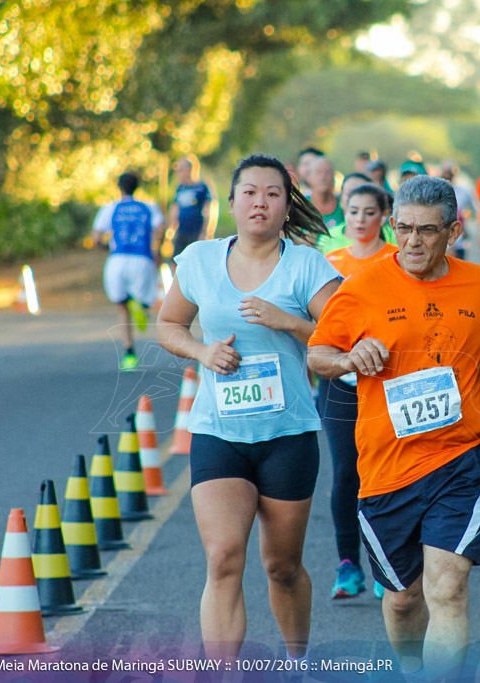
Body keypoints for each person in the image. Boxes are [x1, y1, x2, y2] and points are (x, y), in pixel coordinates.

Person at [307, 175, 480, 678]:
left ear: (454, 231)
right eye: (403, 228)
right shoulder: (362, 288)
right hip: (387, 467)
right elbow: (319, 353)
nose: (412, 242)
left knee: (446, 587)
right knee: (402, 600)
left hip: (458, 458)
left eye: (427, 230)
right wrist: (349, 359)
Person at [156, 154, 340, 665]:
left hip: (288, 433)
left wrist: (290, 322)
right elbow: (168, 325)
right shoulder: (198, 259)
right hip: (219, 431)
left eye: (273, 194)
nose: (261, 201)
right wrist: (202, 352)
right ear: (232, 201)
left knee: (281, 567)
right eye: (251, 192)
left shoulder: (307, 265)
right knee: (222, 560)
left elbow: (344, 339)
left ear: (287, 206)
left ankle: (296, 662)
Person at [319, 183, 397, 600]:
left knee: (386, 472)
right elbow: (315, 325)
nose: (361, 219)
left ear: (385, 216)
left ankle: (389, 564)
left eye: (370, 212)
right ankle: (348, 564)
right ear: (343, 215)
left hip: (389, 383)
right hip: (339, 382)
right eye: (354, 211)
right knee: (347, 472)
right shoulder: (329, 263)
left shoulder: (398, 260)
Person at [92, 171, 166, 371]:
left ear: (119, 187)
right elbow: (160, 227)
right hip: (142, 258)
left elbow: (96, 237)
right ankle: (140, 305)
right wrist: (156, 248)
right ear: (137, 186)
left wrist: (108, 249)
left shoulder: (111, 207)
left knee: (121, 306)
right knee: (144, 298)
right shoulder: (149, 207)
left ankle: (129, 354)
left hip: (117, 259)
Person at [168, 155, 213, 259]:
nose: (178, 173)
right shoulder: (180, 188)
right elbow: (175, 209)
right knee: (176, 260)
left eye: (181, 169)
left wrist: (206, 231)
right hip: (181, 231)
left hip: (196, 231)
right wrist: (171, 230)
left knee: (195, 259)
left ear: (190, 169)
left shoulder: (202, 187)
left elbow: (208, 210)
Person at [309, 156, 350, 254]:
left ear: (334, 176)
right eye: (318, 172)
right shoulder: (299, 206)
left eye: (327, 172)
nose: (323, 177)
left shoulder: (344, 205)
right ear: (309, 177)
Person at [439, 161, 476, 260]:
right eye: (445, 172)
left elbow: (473, 212)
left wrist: (465, 222)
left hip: (458, 238)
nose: (447, 176)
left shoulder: (463, 192)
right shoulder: (434, 192)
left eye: (449, 173)